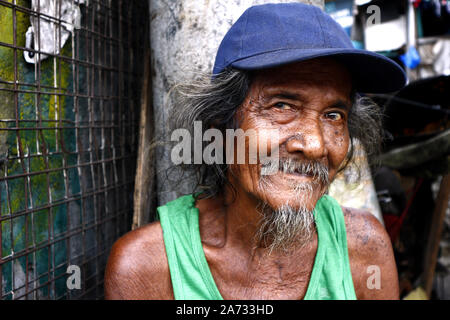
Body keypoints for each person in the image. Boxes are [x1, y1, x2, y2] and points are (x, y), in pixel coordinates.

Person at [104, 3, 406, 300]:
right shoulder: (146, 268)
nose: (314, 145)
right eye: (282, 106)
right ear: (219, 130)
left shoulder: (365, 250)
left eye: (333, 115)